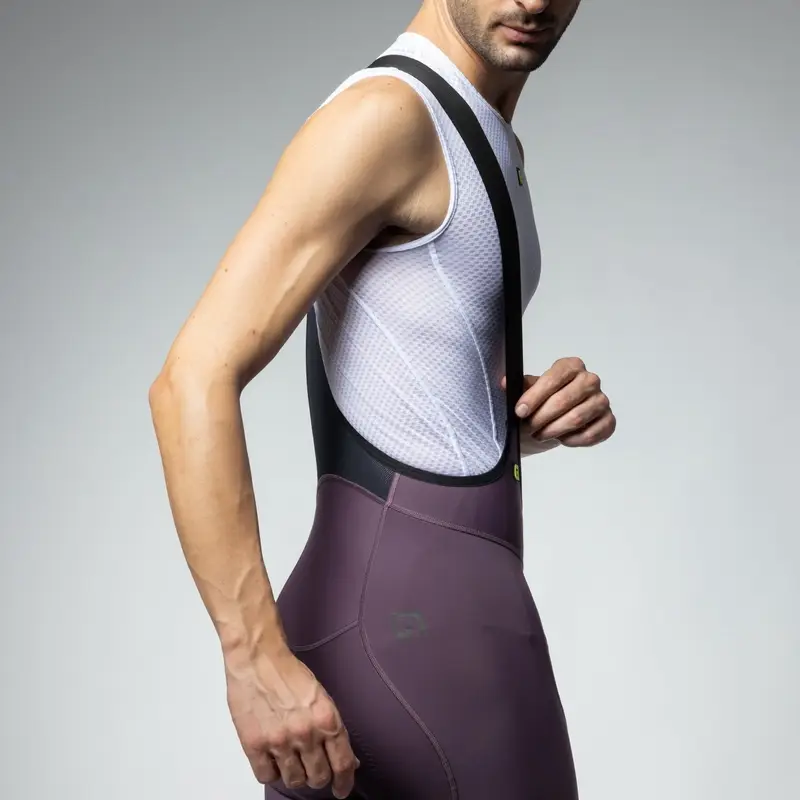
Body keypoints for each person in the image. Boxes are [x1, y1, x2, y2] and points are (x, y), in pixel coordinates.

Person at [149, 1, 616, 797]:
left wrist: (520, 417)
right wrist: (254, 661)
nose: (532, 1)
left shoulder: (486, 133)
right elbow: (190, 379)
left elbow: (405, 365)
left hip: (405, 617)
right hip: (421, 633)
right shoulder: (388, 119)